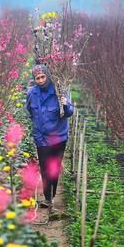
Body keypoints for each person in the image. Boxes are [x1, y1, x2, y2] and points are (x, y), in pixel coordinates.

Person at [26, 64, 74, 210]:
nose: (40, 81)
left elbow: (69, 112)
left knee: (55, 167)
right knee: (45, 168)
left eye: (42, 77)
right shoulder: (32, 93)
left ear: (47, 76)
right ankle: (47, 198)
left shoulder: (58, 91)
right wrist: (37, 131)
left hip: (59, 137)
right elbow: (30, 111)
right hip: (41, 137)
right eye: (37, 78)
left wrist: (65, 106)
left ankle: (52, 195)